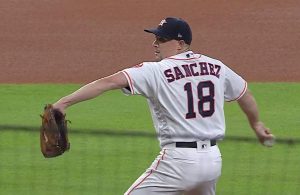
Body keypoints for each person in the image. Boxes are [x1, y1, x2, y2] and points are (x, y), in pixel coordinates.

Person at [52, 17, 274, 195]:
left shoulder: (155, 70)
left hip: (178, 163)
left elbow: (108, 82)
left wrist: (64, 103)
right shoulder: (216, 66)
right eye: (156, 38)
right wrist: (256, 124)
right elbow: (244, 93)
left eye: (161, 39)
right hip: (212, 162)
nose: (155, 44)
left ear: (180, 44)